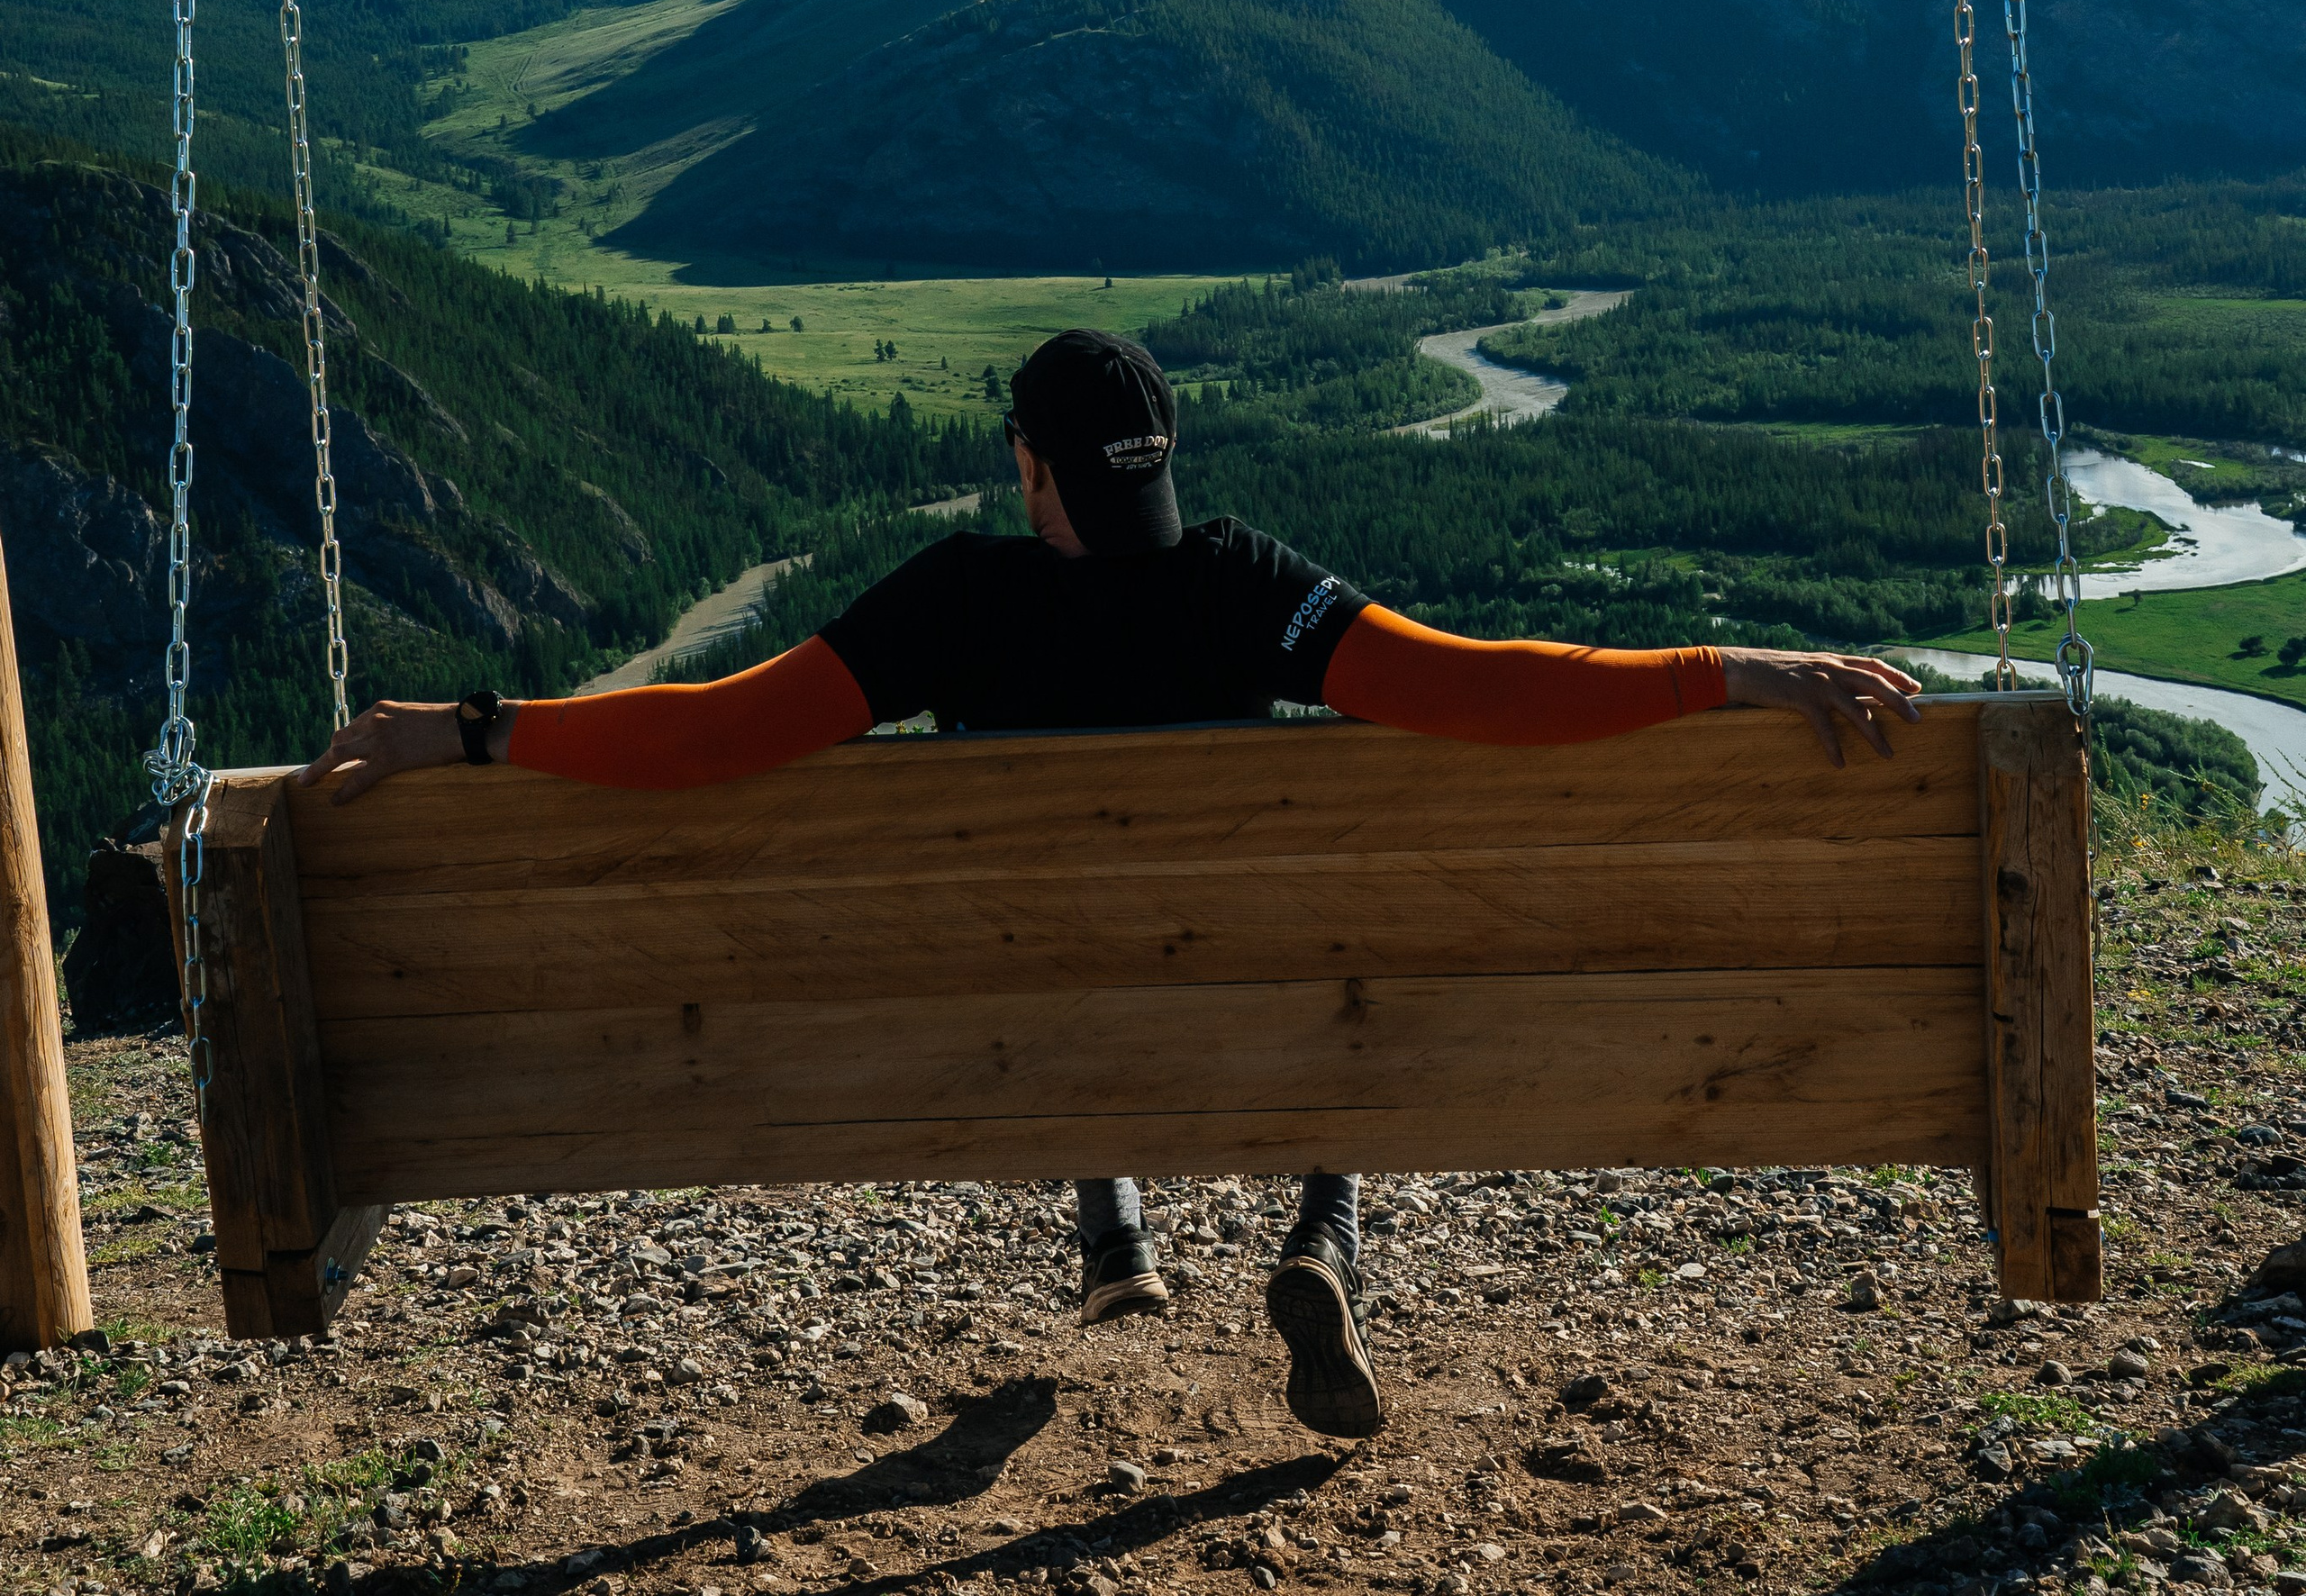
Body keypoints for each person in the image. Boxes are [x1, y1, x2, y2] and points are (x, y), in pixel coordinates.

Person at [304, 325, 1923, 1440]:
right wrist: (1732, 667)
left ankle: (1112, 1216)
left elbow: (714, 736)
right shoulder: (1243, 585)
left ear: (1029, 470)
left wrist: (468, 730)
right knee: (1335, 941)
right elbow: (1492, 687)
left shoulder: (957, 606)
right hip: (1281, 1025)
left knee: (1062, 957)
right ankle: (1327, 1224)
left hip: (1035, 1044)